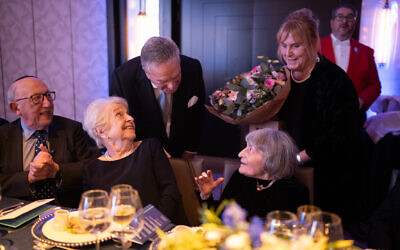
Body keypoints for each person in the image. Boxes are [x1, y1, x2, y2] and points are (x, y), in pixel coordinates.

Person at [276, 9, 366, 224]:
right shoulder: (280, 77)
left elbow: (340, 133)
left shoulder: (333, 79)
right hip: (290, 171)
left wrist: (298, 159)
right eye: (284, 45)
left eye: (295, 46)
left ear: (311, 44)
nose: (288, 53)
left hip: (330, 174)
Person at [82, 97, 187, 224]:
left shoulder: (150, 148)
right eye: (119, 115)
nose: (130, 118)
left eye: (128, 113)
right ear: (101, 131)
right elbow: (94, 214)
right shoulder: (91, 169)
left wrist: (147, 227)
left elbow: (171, 193)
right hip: (117, 236)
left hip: (160, 230)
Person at [0, 76, 98, 207]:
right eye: (36, 98)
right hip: (18, 215)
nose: (47, 104)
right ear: (16, 108)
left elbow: (91, 169)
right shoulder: (3, 136)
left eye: (48, 96)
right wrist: (29, 177)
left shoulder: (72, 129)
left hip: (64, 213)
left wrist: (57, 170)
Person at [110, 37, 205, 159]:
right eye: (163, 81)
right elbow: (119, 125)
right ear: (146, 73)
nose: (172, 86)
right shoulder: (123, 78)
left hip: (181, 152)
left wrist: (190, 150)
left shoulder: (193, 68)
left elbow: (197, 115)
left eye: (176, 77)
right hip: (142, 155)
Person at [195, 128, 309, 218]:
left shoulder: (293, 191)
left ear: (271, 157)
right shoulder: (240, 178)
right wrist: (206, 196)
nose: (240, 154)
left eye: (250, 149)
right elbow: (220, 219)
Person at [320, 3, 381, 115]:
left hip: (353, 117)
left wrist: (361, 101)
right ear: (332, 22)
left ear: (354, 22)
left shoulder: (366, 52)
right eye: (340, 17)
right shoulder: (315, 48)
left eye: (349, 17)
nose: (344, 21)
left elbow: (375, 85)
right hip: (320, 115)